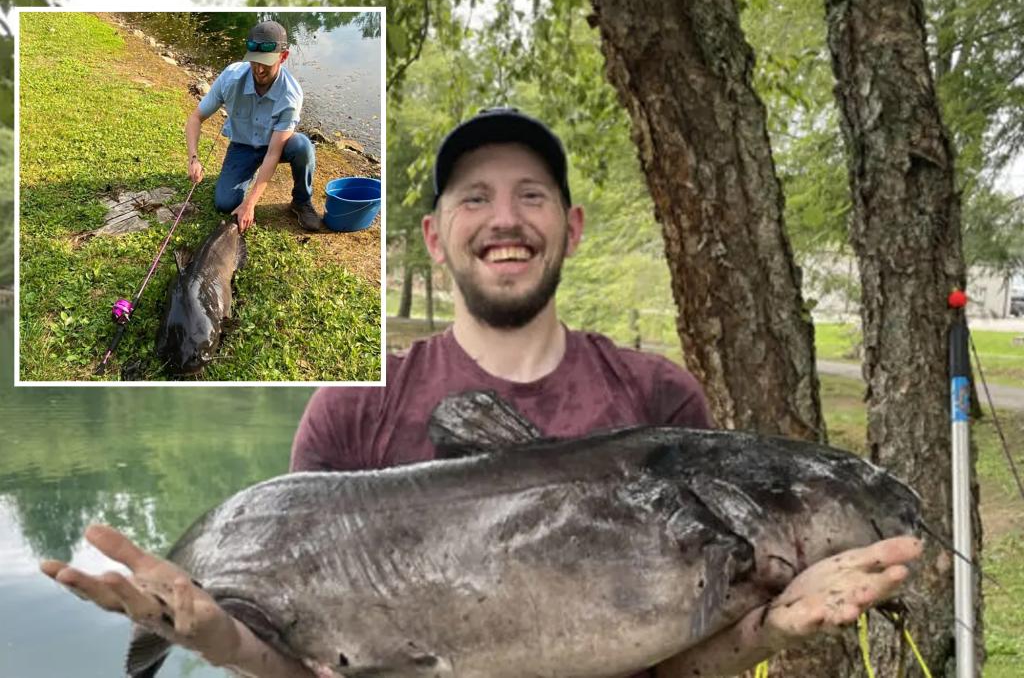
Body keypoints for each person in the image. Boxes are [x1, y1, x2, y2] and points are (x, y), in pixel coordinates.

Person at [42, 108, 922, 678]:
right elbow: (300, 668)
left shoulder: (661, 398)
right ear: (434, 234)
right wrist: (211, 633)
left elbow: (668, 661)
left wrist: (765, 631)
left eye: (531, 194)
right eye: (476, 198)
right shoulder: (354, 408)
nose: (505, 219)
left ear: (569, 225)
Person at [185, 19, 324, 234]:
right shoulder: (230, 78)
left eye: (266, 63)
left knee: (302, 146)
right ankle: (241, 176)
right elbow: (195, 118)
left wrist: (250, 204)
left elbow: (272, 155)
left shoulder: (290, 95)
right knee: (224, 204)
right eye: (254, 62)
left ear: (283, 56)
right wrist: (194, 158)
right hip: (243, 146)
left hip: (276, 146)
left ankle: (301, 201)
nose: (258, 70)